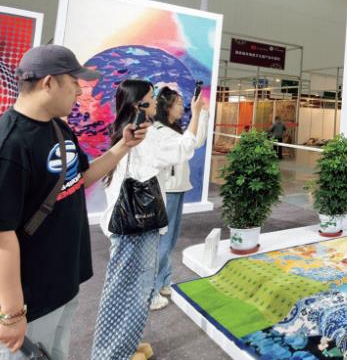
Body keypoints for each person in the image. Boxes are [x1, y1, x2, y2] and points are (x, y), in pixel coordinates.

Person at [0, 45, 147, 360]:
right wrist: (11, 312)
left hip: (65, 280)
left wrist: (123, 146)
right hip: (31, 296)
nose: (80, 91)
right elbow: (1, 235)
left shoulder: (58, 127)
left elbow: (80, 179)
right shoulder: (10, 144)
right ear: (49, 83)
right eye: (74, 82)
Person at [90, 80, 205, 359]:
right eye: (151, 98)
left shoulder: (128, 130)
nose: (155, 102)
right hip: (136, 227)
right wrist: (197, 113)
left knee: (130, 288)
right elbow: (185, 148)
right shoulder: (148, 135)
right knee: (127, 290)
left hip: (127, 223)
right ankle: (112, 353)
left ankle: (125, 346)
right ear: (138, 104)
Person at [150, 86, 208, 310]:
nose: (182, 107)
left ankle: (164, 281)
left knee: (170, 240)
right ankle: (152, 290)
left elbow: (194, 142)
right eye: (179, 103)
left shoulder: (171, 130)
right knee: (163, 242)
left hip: (176, 189)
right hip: (168, 190)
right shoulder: (160, 131)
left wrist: (202, 113)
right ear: (166, 106)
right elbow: (189, 144)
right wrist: (197, 113)